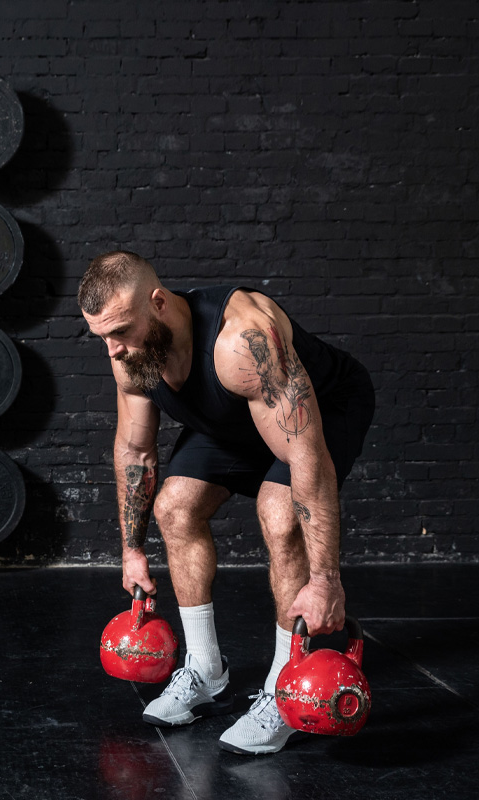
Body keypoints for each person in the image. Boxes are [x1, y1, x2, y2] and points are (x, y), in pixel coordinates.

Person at [78, 251, 375, 755]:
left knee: (279, 514)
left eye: (121, 331)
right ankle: (205, 671)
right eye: (102, 337)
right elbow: (135, 450)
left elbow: (307, 460)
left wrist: (326, 581)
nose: (113, 350)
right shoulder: (131, 353)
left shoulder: (243, 340)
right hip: (233, 419)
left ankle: (285, 692)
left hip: (320, 411)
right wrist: (132, 551)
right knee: (174, 506)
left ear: (159, 303)